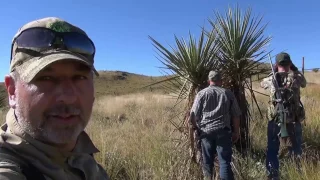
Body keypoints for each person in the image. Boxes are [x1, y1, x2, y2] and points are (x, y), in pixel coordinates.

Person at [0, 17, 110, 180]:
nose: (68, 97)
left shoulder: (80, 153)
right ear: (12, 91)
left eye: (79, 77)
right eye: (46, 78)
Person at [261, 52, 307, 180]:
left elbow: (261, 84)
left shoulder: (271, 78)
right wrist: (295, 69)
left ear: (276, 64)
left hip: (275, 120)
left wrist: (274, 72)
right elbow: (304, 83)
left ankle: (272, 175)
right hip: (294, 120)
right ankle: (296, 173)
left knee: (272, 149)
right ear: (290, 63)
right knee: (296, 148)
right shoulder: (297, 77)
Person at [189, 70, 241, 180]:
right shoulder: (227, 93)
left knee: (207, 162)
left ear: (209, 81)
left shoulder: (201, 94)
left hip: (206, 132)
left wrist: (197, 129)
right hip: (223, 131)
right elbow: (236, 115)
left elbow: (193, 116)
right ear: (221, 81)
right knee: (224, 162)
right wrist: (236, 132)